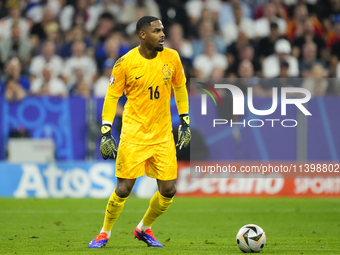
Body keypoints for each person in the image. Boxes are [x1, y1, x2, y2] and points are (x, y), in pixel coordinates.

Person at [88, 16, 191, 249]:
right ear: (143, 35)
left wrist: (185, 121)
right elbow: (112, 96)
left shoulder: (172, 57)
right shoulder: (125, 62)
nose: (162, 34)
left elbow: (180, 87)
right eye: (156, 31)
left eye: (163, 30)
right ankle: (104, 233)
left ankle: (143, 228)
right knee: (124, 188)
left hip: (163, 134)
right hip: (133, 133)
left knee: (169, 189)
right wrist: (106, 131)